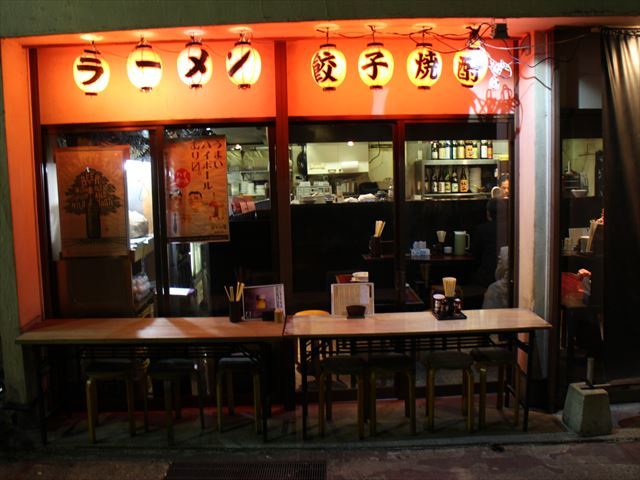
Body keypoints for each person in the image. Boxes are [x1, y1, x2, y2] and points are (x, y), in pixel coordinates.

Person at [471, 198, 500, 288]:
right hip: (503, 277)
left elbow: (475, 253)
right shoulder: (510, 228)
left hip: (486, 277)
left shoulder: (482, 229)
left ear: (488, 213)